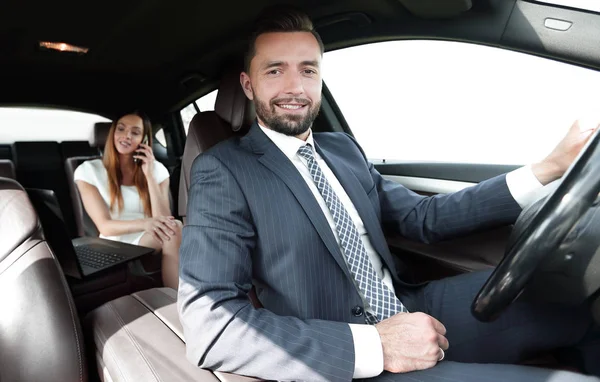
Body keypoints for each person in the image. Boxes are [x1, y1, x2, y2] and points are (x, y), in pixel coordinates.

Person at [178, 7, 600, 382]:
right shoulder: (224, 170)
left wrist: (549, 168)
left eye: (308, 70)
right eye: (275, 70)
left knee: (581, 302)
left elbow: (425, 219)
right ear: (248, 85)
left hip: (414, 304)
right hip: (343, 351)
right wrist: (378, 346)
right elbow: (210, 325)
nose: (295, 87)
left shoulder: (342, 149)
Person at [74, 111, 181, 289]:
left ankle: (176, 298)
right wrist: (145, 223)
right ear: (112, 133)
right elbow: (105, 227)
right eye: (121, 129)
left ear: (145, 140)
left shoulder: (158, 170)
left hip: (148, 236)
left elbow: (164, 220)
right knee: (173, 228)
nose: (126, 136)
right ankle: (175, 294)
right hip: (113, 241)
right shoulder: (88, 171)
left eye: (135, 132)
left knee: (174, 227)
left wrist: (149, 176)